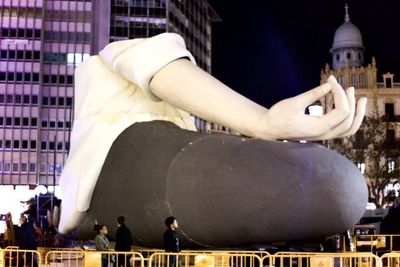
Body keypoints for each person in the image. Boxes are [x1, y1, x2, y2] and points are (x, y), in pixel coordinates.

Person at [56, 32, 368, 247]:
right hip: (118, 162)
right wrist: (262, 121)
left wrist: (265, 125)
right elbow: (146, 60)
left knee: (338, 186)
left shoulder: (173, 123)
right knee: (338, 187)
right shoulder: (112, 76)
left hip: (151, 164)